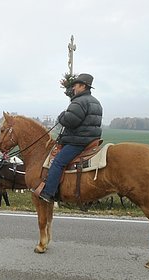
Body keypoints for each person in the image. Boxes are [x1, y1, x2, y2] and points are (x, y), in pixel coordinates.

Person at [39, 73, 103, 203]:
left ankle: (49, 193)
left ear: (83, 86)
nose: (73, 88)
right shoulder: (95, 102)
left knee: (58, 162)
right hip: (90, 139)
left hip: (78, 141)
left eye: (76, 85)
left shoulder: (80, 101)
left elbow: (70, 121)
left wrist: (62, 116)